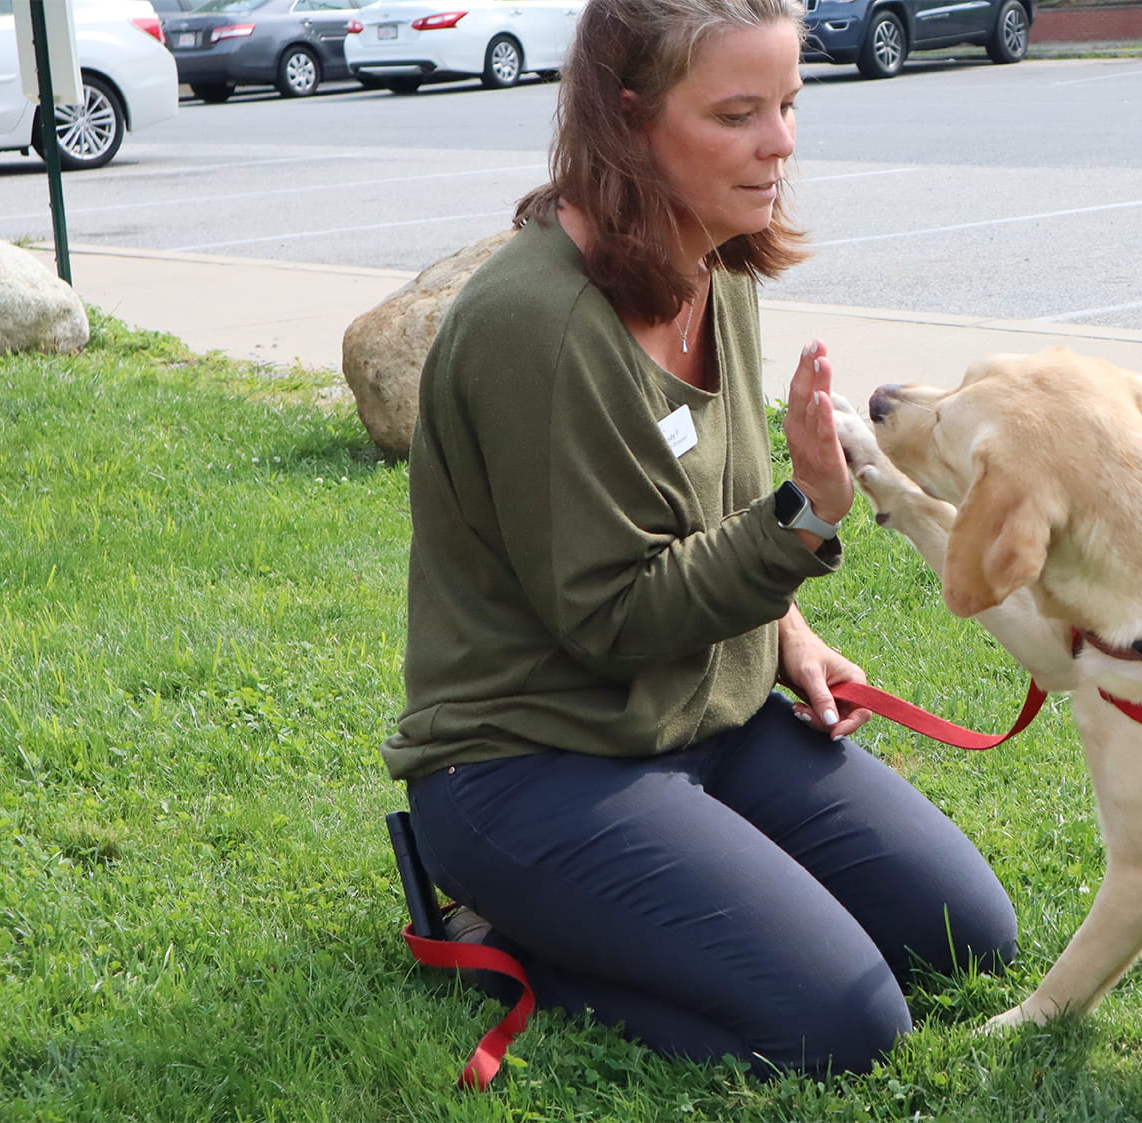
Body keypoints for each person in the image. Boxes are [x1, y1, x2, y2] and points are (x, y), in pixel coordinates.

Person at [379, 0, 1017, 1078]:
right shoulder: (536, 326)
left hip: (701, 722)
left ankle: (657, 898)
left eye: (786, 104)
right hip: (532, 762)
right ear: (628, 119)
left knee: (966, 937)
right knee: (842, 1028)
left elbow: (702, 504)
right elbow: (610, 616)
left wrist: (786, 628)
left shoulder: (711, 262)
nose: (779, 144)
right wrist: (806, 517)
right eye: (736, 114)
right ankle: (503, 936)